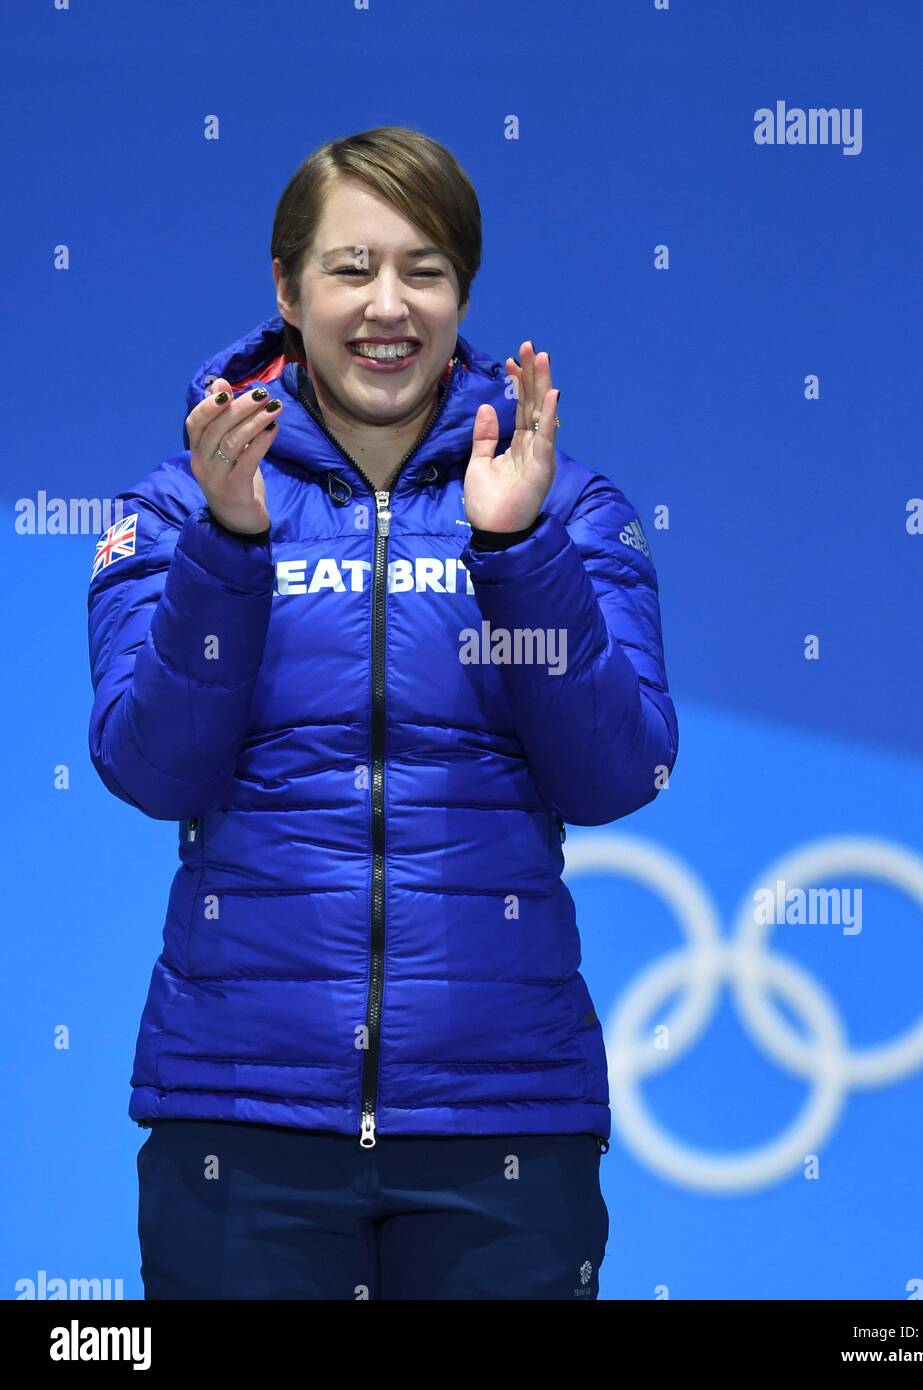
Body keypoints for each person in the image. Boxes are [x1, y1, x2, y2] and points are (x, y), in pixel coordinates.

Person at [86, 125, 678, 1300]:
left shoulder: (566, 505)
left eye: (425, 269)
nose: (387, 305)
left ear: (463, 292)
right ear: (287, 287)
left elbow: (617, 775)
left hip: (503, 1122)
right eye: (352, 268)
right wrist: (229, 548)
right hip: (239, 1119)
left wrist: (518, 547)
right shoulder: (175, 508)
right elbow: (153, 769)